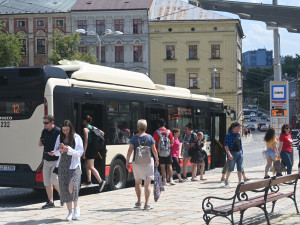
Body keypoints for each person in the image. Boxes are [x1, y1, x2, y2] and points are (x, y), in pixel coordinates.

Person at [126, 119, 159, 210]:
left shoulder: (134, 138)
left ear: (137, 128)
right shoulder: (150, 137)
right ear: (146, 127)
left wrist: (127, 161)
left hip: (137, 162)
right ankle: (147, 204)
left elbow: (129, 150)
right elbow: (154, 150)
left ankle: (138, 201)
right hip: (148, 162)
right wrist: (157, 159)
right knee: (147, 184)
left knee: (138, 183)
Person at [54, 120, 84, 221]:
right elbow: (56, 152)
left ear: (71, 128)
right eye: (63, 130)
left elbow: (80, 152)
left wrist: (69, 150)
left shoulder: (77, 137)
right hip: (63, 165)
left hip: (74, 166)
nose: (65, 132)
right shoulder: (60, 137)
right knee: (65, 189)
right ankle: (70, 212)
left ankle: (76, 207)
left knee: (73, 187)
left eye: (67, 130)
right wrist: (61, 150)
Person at [38, 115, 61, 209]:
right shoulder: (44, 131)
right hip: (46, 159)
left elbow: (63, 145)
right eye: (43, 123)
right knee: (47, 181)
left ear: (52, 122)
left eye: (46, 123)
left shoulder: (59, 131)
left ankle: (62, 195)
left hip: (56, 160)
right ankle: (50, 201)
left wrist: (56, 152)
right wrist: (41, 140)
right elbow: (40, 144)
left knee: (54, 179)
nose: (44, 125)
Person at [82, 115, 106, 192]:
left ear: (85, 121)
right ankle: (89, 181)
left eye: (83, 121)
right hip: (94, 148)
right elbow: (103, 133)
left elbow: (86, 141)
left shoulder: (85, 129)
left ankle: (101, 181)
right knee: (86, 164)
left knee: (91, 167)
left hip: (89, 148)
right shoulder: (93, 128)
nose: (82, 122)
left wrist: (84, 152)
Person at [153, 118, 174, 185]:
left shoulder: (156, 132)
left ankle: (164, 180)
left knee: (162, 167)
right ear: (165, 124)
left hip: (160, 152)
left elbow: (155, 143)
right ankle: (171, 180)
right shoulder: (169, 132)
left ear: (158, 124)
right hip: (168, 151)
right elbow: (172, 141)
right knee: (169, 165)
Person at [223, 122, 243, 187]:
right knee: (230, 168)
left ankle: (240, 182)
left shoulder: (238, 134)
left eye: (239, 127)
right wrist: (229, 154)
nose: (239, 129)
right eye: (238, 127)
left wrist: (241, 152)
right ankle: (226, 179)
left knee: (240, 168)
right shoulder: (228, 135)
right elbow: (226, 146)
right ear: (234, 128)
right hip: (232, 153)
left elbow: (240, 143)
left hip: (239, 152)